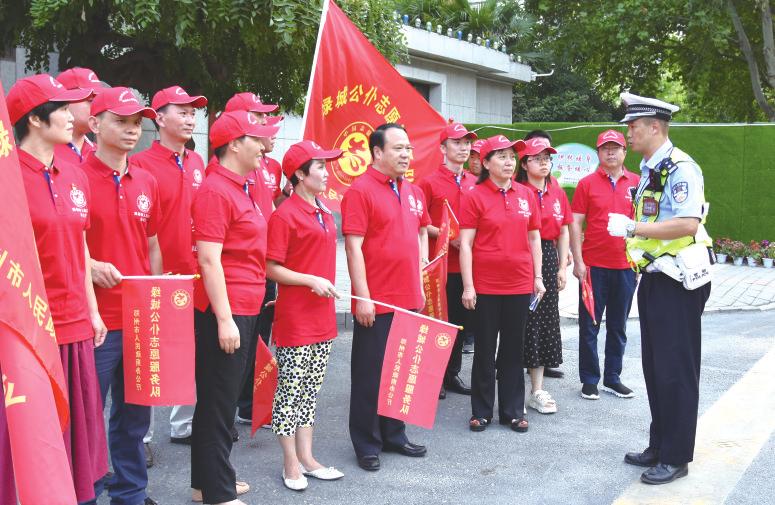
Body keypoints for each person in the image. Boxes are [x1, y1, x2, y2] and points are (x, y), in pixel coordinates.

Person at [8, 73, 108, 503]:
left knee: (76, 442)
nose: (72, 116)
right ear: (34, 119)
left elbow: (80, 245)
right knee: (32, 442)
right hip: (29, 332)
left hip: (76, 326)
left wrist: (93, 310)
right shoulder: (7, 178)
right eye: (63, 109)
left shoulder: (74, 174)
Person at [611, 93, 712, 485]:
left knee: (676, 370)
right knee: (656, 368)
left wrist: (632, 227)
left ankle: (676, 456)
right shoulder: (652, 168)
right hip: (656, 276)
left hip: (678, 282)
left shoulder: (681, 168)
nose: (628, 132)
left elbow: (687, 223)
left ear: (655, 127)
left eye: (633, 126)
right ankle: (660, 444)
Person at [190, 111, 279, 505]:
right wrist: (225, 320)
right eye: (256, 139)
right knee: (219, 403)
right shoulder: (215, 191)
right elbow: (209, 260)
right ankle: (218, 492)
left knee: (219, 401)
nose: (263, 147)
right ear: (233, 144)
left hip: (246, 304)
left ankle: (205, 483)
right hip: (226, 309)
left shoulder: (241, 188)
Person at [81, 86, 162, 505]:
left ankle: (131, 492)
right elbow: (64, 243)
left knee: (134, 416)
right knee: (88, 418)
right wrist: (91, 265)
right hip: (94, 320)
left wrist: (158, 297)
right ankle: (87, 493)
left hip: (139, 317)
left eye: (136, 123)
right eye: (121, 122)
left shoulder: (145, 180)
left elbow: (152, 245)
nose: (132, 130)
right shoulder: (74, 177)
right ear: (94, 124)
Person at [341, 123, 429, 472]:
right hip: (377, 300)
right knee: (370, 374)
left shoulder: (413, 191)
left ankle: (394, 434)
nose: (406, 154)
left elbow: (418, 239)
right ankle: (366, 443)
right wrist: (363, 297)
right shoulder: (360, 191)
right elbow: (353, 247)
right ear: (377, 152)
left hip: (408, 296)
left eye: (408, 148)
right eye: (398, 148)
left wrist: (420, 287)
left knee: (400, 370)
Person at [131, 85, 208, 451]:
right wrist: (152, 273)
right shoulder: (140, 164)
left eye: (193, 113)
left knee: (189, 351)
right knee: (150, 355)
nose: (190, 119)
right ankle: (141, 437)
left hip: (194, 272)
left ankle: (183, 424)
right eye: (182, 112)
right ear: (159, 119)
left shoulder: (197, 162)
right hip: (156, 274)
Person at [266, 140, 345, 491]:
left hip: (323, 317)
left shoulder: (324, 211)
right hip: (296, 318)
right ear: (299, 174)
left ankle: (308, 458)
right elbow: (271, 267)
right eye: (321, 167)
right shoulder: (284, 215)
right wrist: (311, 280)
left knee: (310, 392)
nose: (327, 173)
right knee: (290, 392)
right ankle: (290, 463)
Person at [459, 135, 543, 433]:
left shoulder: (526, 194)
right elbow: (465, 243)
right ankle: (481, 411)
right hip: (485, 285)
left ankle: (513, 411)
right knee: (484, 348)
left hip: (519, 283)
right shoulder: (474, 195)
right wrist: (468, 286)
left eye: (512, 156)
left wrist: (537, 277)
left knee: (513, 349)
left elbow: (534, 237)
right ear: (485, 163)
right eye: (502, 156)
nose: (509, 162)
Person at [222, 91, 284, 428]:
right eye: (257, 117)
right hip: (237, 275)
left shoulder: (267, 166)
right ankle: (226, 410)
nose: (264, 123)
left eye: (264, 117)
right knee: (232, 349)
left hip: (263, 267)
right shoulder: (229, 172)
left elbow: (271, 208)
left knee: (259, 337)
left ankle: (249, 403)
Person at [570, 129, 639, 400]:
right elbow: (576, 223)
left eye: (615, 147)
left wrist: (640, 262)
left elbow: (645, 223)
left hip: (626, 266)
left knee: (618, 326)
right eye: (605, 148)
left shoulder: (637, 183)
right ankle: (589, 380)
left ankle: (613, 378)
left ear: (624, 152)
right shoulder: (586, 184)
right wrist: (578, 261)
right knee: (590, 325)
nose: (610, 152)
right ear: (598, 153)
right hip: (593, 267)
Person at [417, 122, 477, 400]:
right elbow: (420, 222)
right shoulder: (428, 182)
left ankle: (452, 372)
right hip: (438, 266)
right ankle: (433, 376)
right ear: (443, 148)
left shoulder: (474, 182)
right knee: (437, 322)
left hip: (466, 267)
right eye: (457, 143)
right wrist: (447, 235)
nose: (464, 148)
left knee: (460, 323)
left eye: (467, 143)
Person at [516, 137, 571, 414]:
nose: (544, 163)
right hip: (518, 257)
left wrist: (561, 267)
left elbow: (564, 229)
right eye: (537, 158)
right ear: (524, 164)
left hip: (548, 258)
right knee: (518, 322)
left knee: (544, 321)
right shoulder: (516, 191)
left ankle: (536, 390)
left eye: (547, 158)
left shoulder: (556, 193)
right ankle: (513, 389)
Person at [54, 67, 105, 164]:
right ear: (64, 102)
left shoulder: (101, 154)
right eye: (90, 100)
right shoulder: (44, 152)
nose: (97, 106)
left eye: (98, 100)